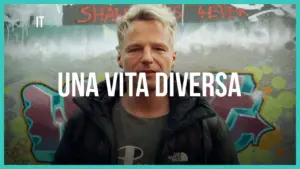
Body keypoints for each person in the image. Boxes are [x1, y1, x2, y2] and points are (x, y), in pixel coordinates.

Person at [53, 4, 239, 164]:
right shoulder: (83, 123)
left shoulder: (207, 126)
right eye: (135, 49)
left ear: (172, 58)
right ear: (120, 58)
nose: (147, 58)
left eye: (159, 48)